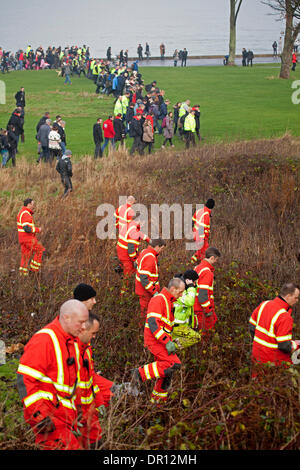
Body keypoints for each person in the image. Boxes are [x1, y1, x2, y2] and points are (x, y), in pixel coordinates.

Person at [16, 299, 89, 450]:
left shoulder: (72, 341)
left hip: (66, 418)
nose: (83, 328)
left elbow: (71, 383)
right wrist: (40, 417)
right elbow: (25, 380)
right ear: (66, 317)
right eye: (80, 322)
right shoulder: (44, 340)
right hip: (50, 420)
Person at [73, 284, 114, 449]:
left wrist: (97, 400)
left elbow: (88, 375)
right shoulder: (74, 333)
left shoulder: (83, 329)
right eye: (92, 298)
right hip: (78, 409)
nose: (95, 302)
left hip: (86, 406)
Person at [133, 278, 185, 404]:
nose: (182, 295)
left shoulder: (169, 302)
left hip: (162, 342)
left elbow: (166, 327)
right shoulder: (159, 299)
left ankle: (157, 402)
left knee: (166, 374)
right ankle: (139, 374)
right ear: (173, 289)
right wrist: (167, 341)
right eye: (180, 292)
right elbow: (153, 323)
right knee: (173, 364)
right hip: (155, 341)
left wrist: (173, 340)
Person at [249, 283, 300, 374]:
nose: (297, 300)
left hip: (256, 357)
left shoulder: (264, 304)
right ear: (288, 296)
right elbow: (284, 346)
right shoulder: (284, 317)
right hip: (274, 363)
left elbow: (252, 327)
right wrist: (297, 344)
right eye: (295, 298)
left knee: (257, 384)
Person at [117, 217, 150, 294]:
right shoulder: (134, 230)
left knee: (130, 269)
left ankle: (121, 267)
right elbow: (131, 249)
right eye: (143, 223)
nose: (143, 225)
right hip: (125, 254)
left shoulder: (131, 224)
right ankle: (124, 293)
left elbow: (139, 234)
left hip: (121, 250)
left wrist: (148, 239)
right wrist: (135, 260)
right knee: (128, 273)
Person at [135, 238, 166, 318]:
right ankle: (142, 329)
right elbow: (144, 279)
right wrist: (154, 291)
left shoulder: (144, 251)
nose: (161, 251)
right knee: (146, 314)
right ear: (157, 247)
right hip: (146, 292)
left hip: (143, 290)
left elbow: (136, 264)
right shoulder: (150, 257)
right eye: (162, 248)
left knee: (145, 312)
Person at [172, 270, 202, 349]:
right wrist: (191, 287)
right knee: (196, 337)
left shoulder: (185, 289)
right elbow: (190, 301)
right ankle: (172, 348)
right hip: (176, 326)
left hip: (180, 326)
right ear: (188, 281)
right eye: (194, 282)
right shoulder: (179, 291)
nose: (195, 284)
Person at [194, 247, 221, 333]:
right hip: (203, 310)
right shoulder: (207, 272)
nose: (216, 262)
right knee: (205, 334)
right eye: (216, 260)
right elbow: (202, 295)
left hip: (195, 307)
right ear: (212, 258)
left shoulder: (197, 268)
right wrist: (208, 310)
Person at [16, 198, 45, 276]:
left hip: (23, 239)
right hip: (28, 238)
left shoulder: (22, 212)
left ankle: (23, 275)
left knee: (25, 256)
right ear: (28, 204)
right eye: (32, 204)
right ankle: (34, 271)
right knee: (40, 250)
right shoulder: (25, 213)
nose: (33, 206)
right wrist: (38, 229)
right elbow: (27, 228)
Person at [191, 198, 215, 264]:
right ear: (211, 207)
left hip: (196, 234)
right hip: (201, 236)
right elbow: (204, 228)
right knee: (204, 252)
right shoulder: (206, 215)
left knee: (199, 251)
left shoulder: (199, 211)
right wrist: (205, 237)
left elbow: (193, 221)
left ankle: (192, 262)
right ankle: (202, 265)